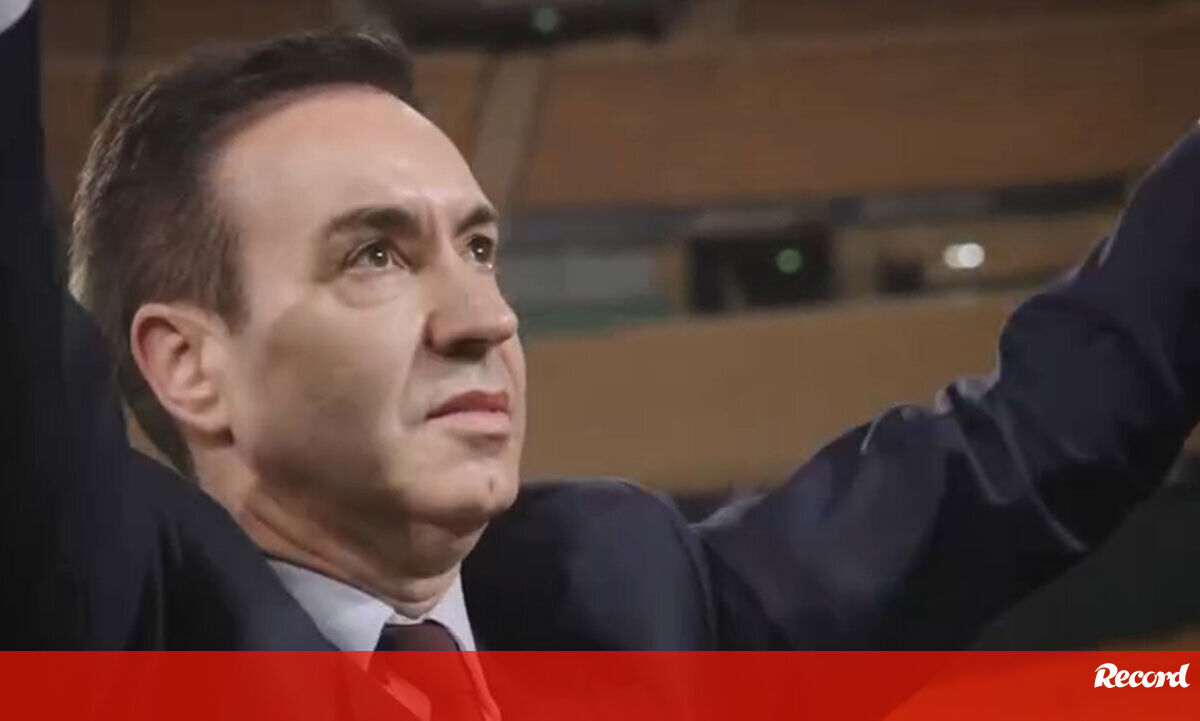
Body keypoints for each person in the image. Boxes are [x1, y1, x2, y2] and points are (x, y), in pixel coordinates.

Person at [4, 0, 1200, 670]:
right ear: (188, 364)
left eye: (480, 248)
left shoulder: (623, 597)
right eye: (376, 255)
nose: (485, 319)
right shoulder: (119, 628)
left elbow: (1027, 447)